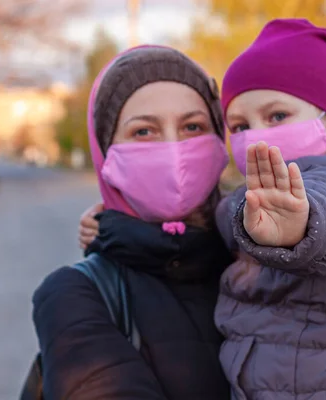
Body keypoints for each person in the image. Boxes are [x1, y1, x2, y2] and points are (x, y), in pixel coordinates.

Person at [80, 19, 326, 399]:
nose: (257, 134)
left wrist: (303, 224)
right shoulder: (247, 200)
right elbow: (224, 213)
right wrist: (113, 224)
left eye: (277, 116)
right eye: (240, 125)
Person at [32, 45, 234, 400]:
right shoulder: (73, 296)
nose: (174, 148)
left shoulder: (264, 264)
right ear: (105, 152)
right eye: (144, 132)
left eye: (193, 126)